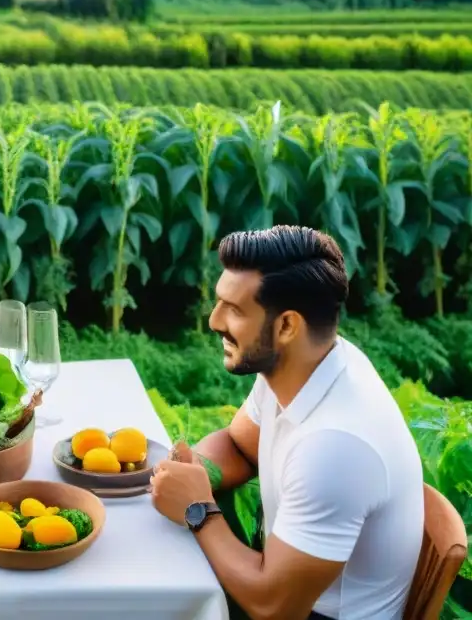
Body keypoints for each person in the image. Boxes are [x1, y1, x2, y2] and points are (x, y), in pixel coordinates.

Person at [150, 226, 424, 620]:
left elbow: (273, 607)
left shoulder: (335, 447)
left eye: (234, 309)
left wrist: (196, 508)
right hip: (276, 583)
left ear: (286, 326)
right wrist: (195, 471)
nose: (213, 321)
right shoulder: (308, 365)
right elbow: (239, 445)